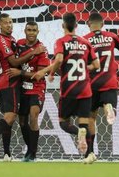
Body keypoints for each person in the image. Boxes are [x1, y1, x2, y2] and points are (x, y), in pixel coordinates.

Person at [33, 13, 100, 163]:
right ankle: (89, 153)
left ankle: (80, 137)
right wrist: (83, 69)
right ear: (76, 26)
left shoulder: (61, 41)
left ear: (63, 26)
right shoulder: (86, 43)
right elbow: (96, 65)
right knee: (85, 122)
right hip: (85, 89)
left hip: (69, 89)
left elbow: (59, 59)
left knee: (63, 123)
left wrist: (49, 73)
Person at [0, 14, 45, 161]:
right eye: (6, 23)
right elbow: (14, 63)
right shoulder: (1, 40)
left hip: (10, 82)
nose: (9, 25)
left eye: (11, 22)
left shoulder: (13, 40)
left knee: (9, 118)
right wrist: (34, 52)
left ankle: (7, 153)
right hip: (9, 82)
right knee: (10, 117)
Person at [83, 13, 119, 163]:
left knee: (91, 118)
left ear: (88, 24)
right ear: (103, 24)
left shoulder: (84, 40)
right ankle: (108, 106)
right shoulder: (111, 36)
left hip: (90, 84)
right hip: (108, 82)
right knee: (108, 105)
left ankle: (90, 152)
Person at [7, 21, 50, 162]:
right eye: (29, 30)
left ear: (38, 32)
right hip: (22, 88)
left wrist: (19, 72)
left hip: (37, 88)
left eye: (34, 30)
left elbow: (39, 74)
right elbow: (13, 60)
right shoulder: (19, 44)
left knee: (33, 116)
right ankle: (30, 150)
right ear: (25, 31)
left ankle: (32, 154)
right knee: (22, 122)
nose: (31, 32)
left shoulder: (42, 50)